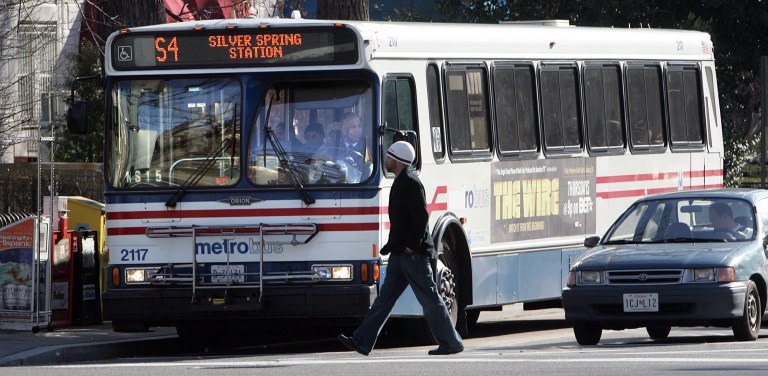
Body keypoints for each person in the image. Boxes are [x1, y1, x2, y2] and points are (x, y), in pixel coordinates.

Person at [337, 141, 464, 356]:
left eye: (389, 157)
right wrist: (394, 247)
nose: (386, 160)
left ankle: (451, 342)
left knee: (429, 298)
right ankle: (362, 340)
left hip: (412, 255)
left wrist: (410, 246)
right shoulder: (402, 180)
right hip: (400, 254)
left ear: (398, 160)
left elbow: (421, 217)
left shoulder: (410, 182)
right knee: (384, 299)